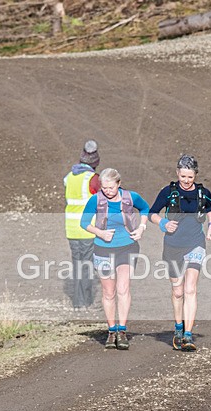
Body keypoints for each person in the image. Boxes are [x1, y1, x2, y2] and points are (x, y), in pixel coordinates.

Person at [149, 154, 211, 352]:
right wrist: (163, 223)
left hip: (196, 243)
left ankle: (188, 334)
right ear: (177, 173)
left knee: (190, 289)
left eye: (190, 177)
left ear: (195, 175)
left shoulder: (203, 193)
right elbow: (151, 213)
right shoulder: (168, 192)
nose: (186, 181)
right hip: (173, 245)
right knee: (178, 291)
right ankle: (178, 327)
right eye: (183, 177)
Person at [80, 168, 149, 349]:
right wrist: (100, 232)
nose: (107, 191)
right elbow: (84, 222)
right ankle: (111, 331)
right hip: (103, 249)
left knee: (123, 289)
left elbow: (145, 208)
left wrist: (141, 227)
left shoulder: (130, 197)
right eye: (104, 188)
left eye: (111, 188)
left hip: (127, 247)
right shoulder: (95, 200)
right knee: (108, 292)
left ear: (119, 184)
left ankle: (122, 330)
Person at [63, 139, 102, 308]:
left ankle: (78, 303)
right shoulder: (93, 179)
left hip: (71, 228)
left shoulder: (70, 177)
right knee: (86, 266)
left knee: (78, 265)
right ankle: (86, 303)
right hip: (87, 229)